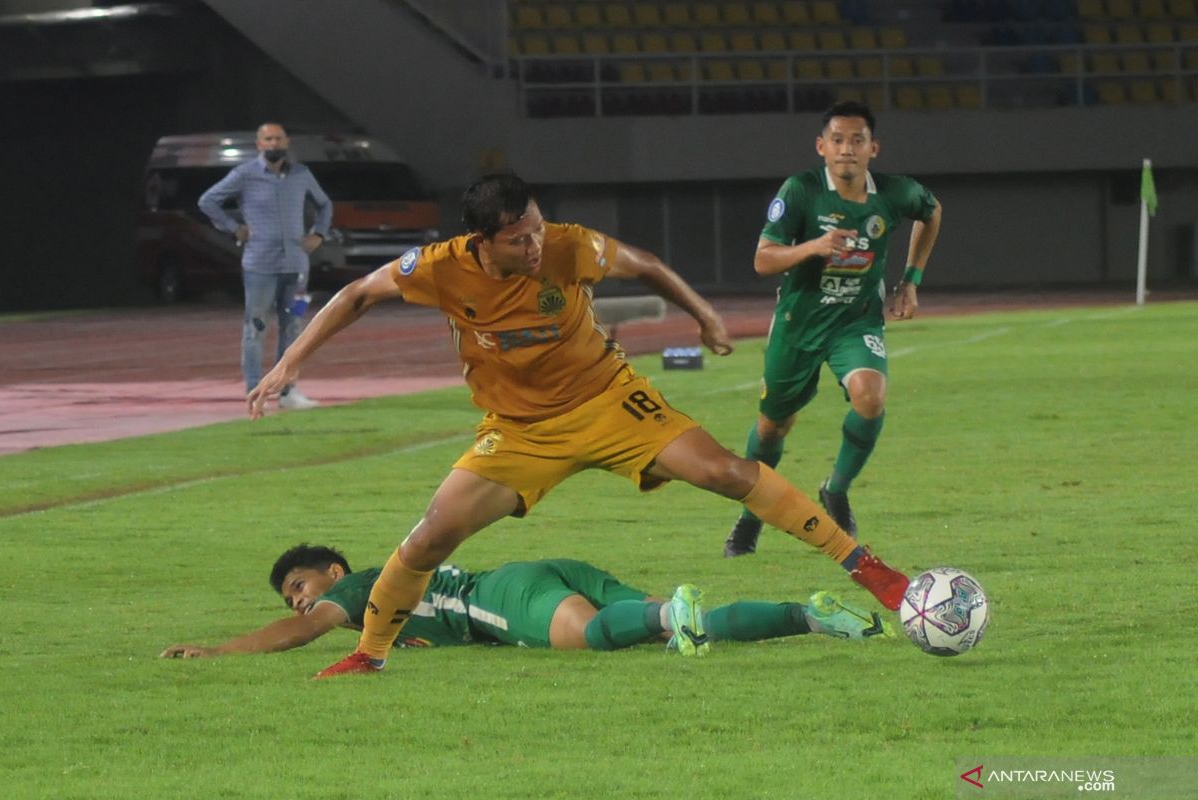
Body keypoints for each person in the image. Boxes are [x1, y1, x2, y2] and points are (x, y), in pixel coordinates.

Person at [245, 172, 910, 678]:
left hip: (610, 401)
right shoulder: (441, 267)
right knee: (426, 540)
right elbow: (357, 294)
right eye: (518, 238)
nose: (535, 244)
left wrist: (704, 315)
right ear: (483, 242)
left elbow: (643, 262)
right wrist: (287, 364)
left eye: (536, 227)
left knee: (725, 472)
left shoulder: (567, 247)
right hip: (519, 432)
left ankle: (867, 568)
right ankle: (370, 655)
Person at [723, 101, 943, 558]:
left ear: (873, 148)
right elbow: (763, 259)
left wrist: (911, 280)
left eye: (857, 140)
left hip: (855, 319)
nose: (847, 149)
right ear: (822, 147)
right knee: (772, 428)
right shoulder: (801, 191)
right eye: (838, 140)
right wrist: (814, 247)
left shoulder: (896, 193)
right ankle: (749, 518)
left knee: (871, 395)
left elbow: (933, 211)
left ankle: (835, 489)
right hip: (799, 323)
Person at [160, 544, 892, 661]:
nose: (299, 603)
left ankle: (674, 611)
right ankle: (811, 615)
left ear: (333, 571)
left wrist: (219, 651)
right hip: (542, 567)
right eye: (292, 597)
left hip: (499, 597)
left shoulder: (359, 589)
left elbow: (305, 634)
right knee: (665, 636)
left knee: (594, 641)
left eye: (299, 588)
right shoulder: (380, 579)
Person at [198, 122, 332, 410]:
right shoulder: (245, 175)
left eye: (278, 139)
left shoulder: (301, 174)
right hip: (260, 266)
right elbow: (207, 201)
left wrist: (319, 234)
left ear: (287, 142)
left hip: (297, 267)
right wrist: (233, 228)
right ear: (259, 144)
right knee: (255, 327)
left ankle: (288, 392)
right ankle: (254, 392)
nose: (273, 144)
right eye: (268, 139)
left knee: (294, 326)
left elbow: (325, 204)